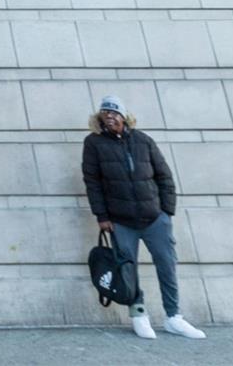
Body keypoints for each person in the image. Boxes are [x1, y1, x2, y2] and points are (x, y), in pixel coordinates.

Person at [81, 96, 205, 341]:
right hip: (120, 220)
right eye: (105, 112)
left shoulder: (143, 141)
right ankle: (138, 314)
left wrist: (166, 212)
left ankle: (174, 317)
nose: (110, 116)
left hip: (154, 218)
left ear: (124, 116)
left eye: (114, 112)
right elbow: (92, 183)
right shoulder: (94, 143)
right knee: (128, 269)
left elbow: (164, 177)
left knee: (167, 265)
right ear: (99, 118)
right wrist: (102, 216)